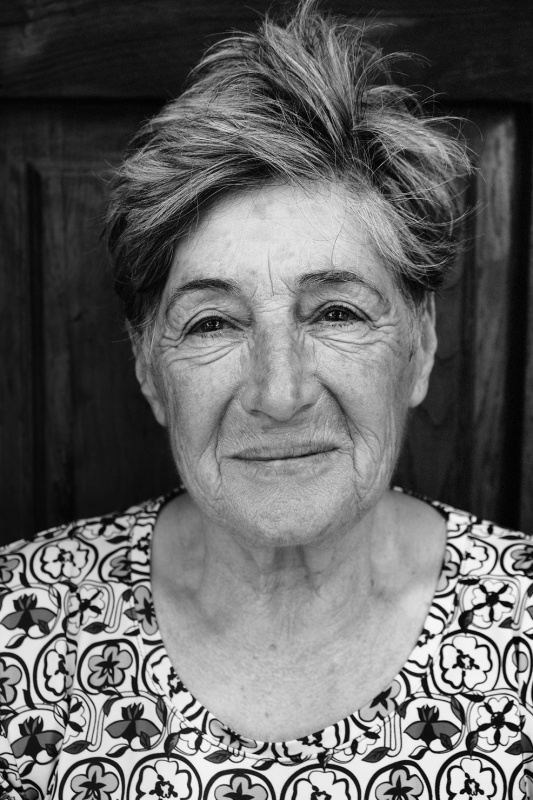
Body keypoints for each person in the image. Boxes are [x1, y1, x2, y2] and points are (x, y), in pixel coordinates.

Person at [0, 2, 532, 797]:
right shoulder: (18, 625)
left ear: (419, 348)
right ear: (148, 367)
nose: (279, 394)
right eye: (213, 322)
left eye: (336, 313)